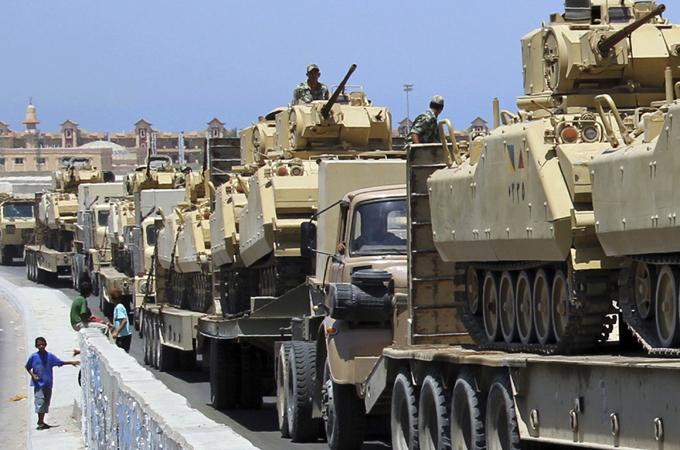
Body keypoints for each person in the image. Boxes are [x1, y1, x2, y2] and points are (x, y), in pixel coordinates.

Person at [25, 337, 79, 430]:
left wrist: (71, 362)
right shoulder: (33, 357)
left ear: (45, 344)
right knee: (40, 402)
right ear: (36, 346)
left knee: (46, 403)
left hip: (48, 383)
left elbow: (59, 362)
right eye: (39, 345)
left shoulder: (49, 356)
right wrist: (33, 375)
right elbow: (27, 367)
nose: (41, 346)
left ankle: (41, 421)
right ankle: (40, 422)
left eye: (42, 344)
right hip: (38, 384)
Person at [111, 288, 132, 353]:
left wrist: (117, 332)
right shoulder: (119, 307)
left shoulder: (119, 307)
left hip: (123, 336)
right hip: (123, 335)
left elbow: (124, 321)